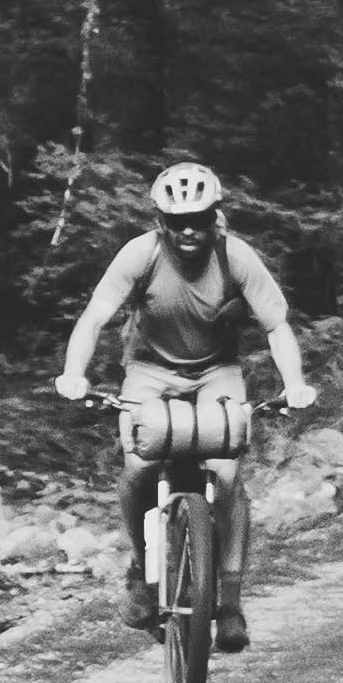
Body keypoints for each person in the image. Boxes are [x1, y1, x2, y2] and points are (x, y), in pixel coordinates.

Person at [52, 161, 317, 646]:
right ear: (161, 222)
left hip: (217, 371)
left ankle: (231, 601)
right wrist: (74, 374)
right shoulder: (141, 255)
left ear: (215, 216)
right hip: (150, 371)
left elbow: (276, 326)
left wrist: (294, 384)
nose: (189, 230)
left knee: (230, 474)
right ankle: (139, 570)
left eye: (200, 218)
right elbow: (93, 320)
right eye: (178, 221)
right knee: (138, 468)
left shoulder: (235, 256)